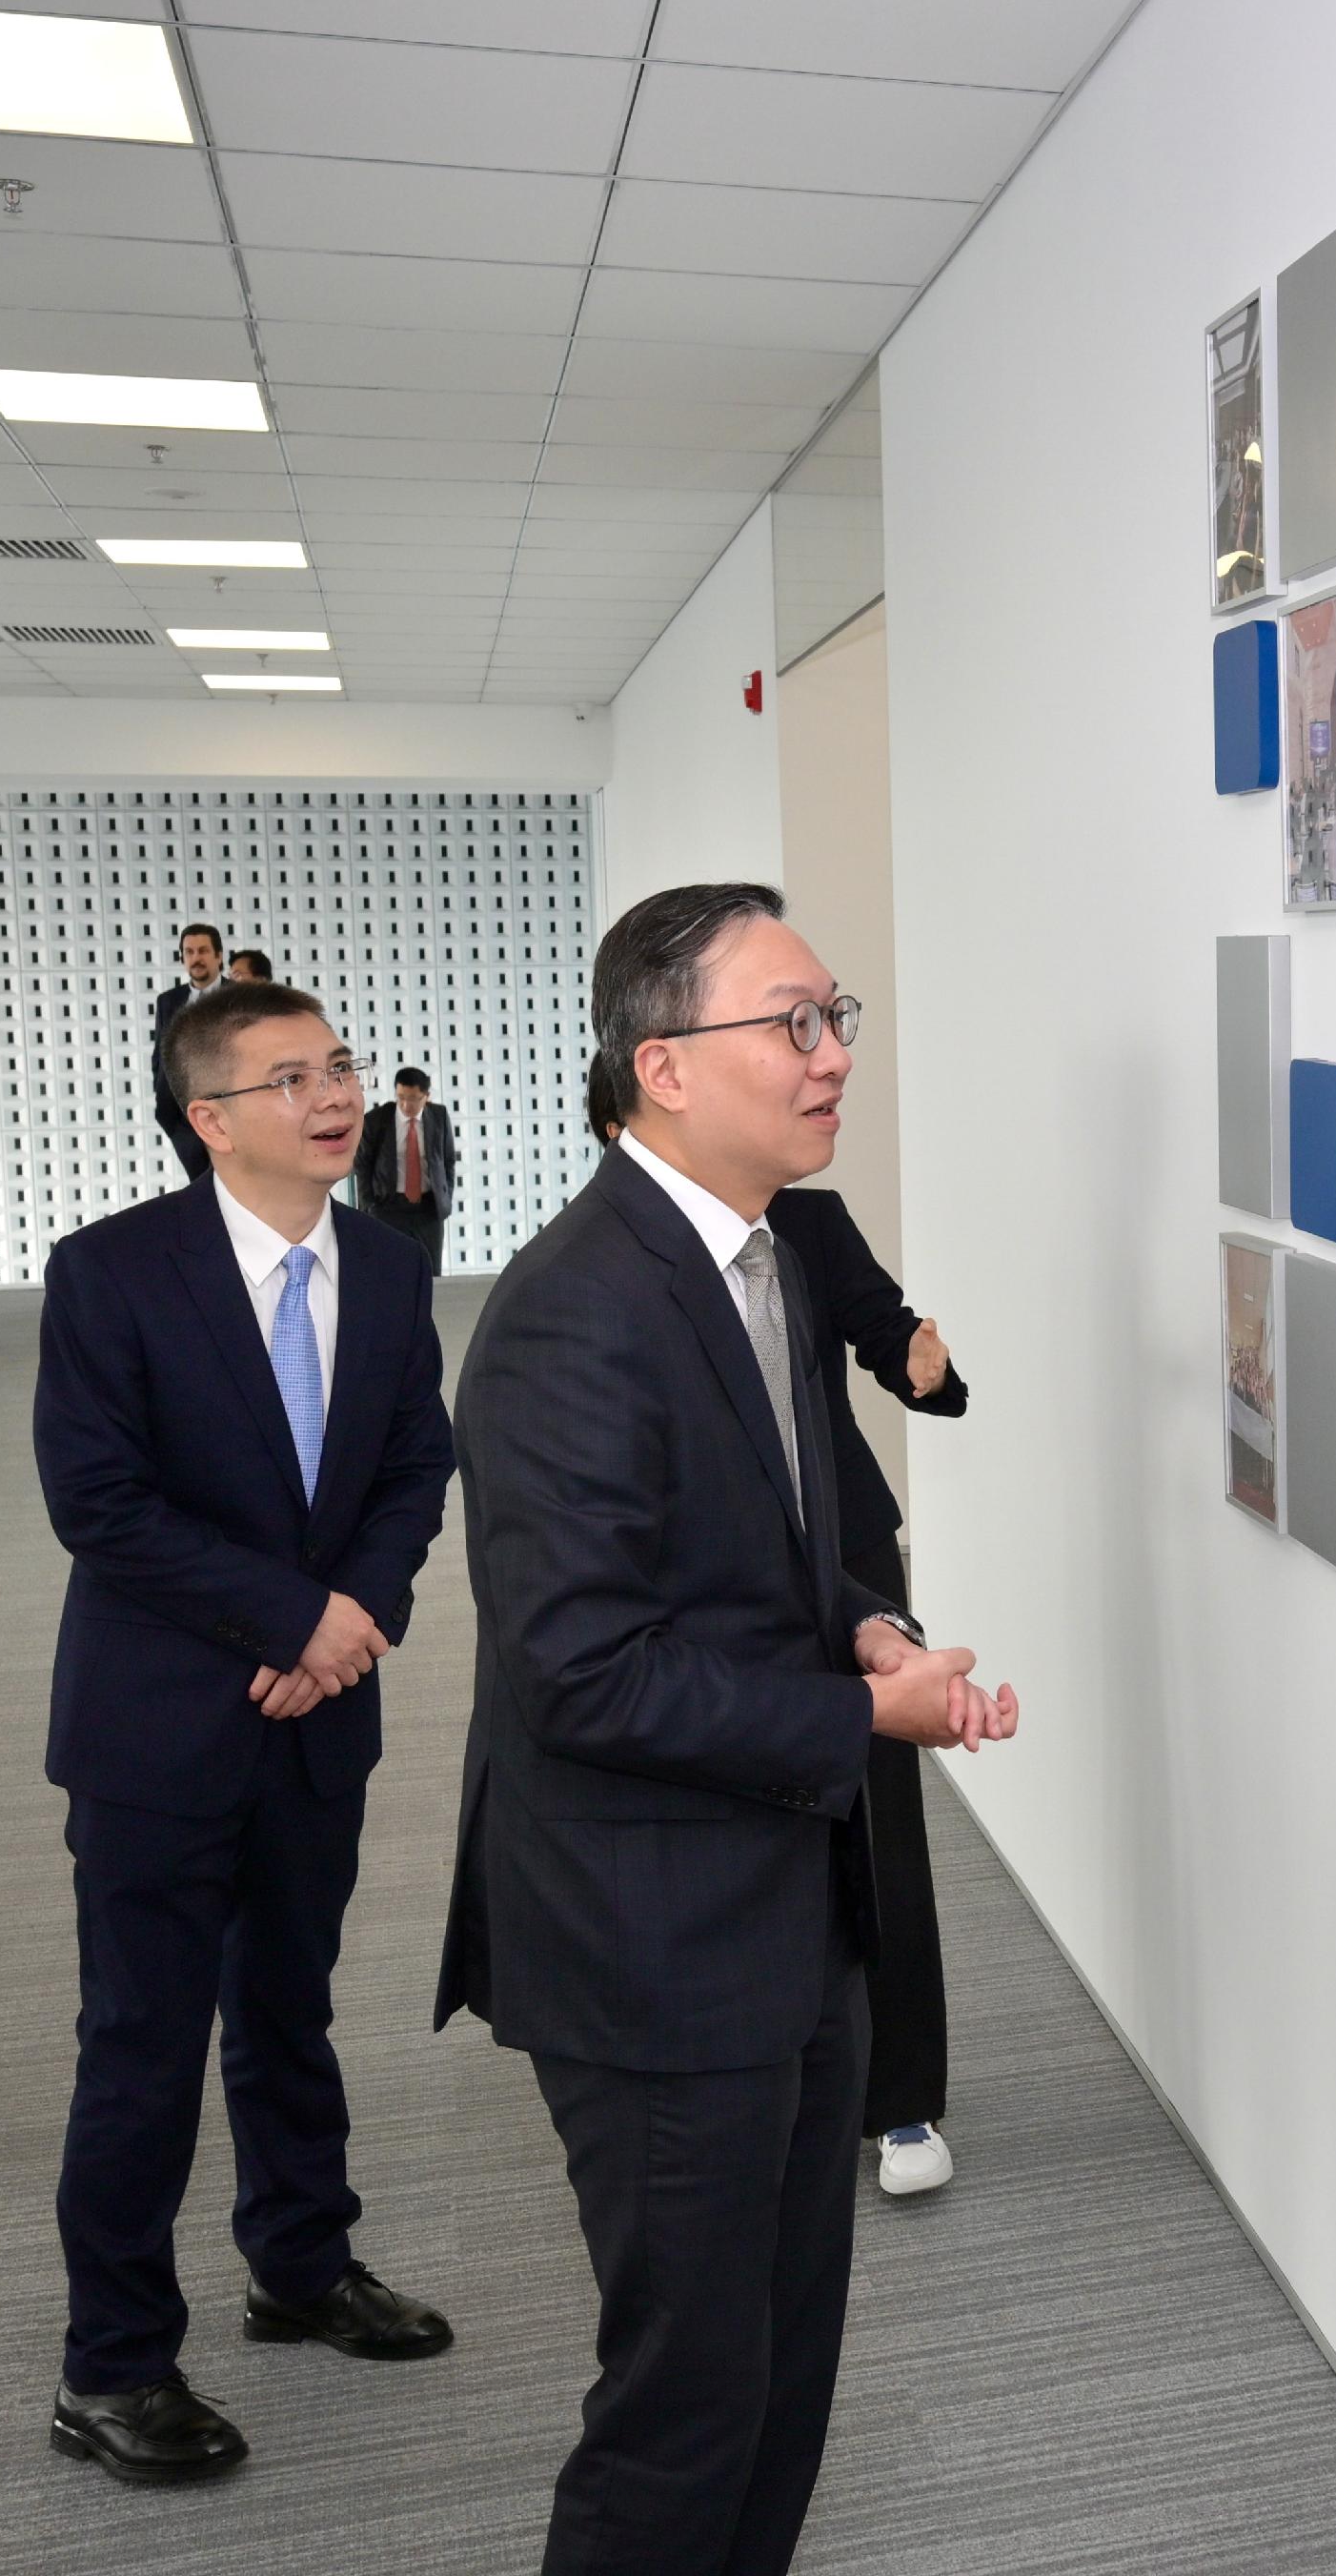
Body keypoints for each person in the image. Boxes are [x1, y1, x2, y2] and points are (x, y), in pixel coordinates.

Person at [436, 882, 1016, 2576]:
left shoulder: (757, 1262)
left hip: (783, 1910)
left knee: (780, 2377)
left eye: (838, 1016)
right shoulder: (573, 1311)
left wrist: (859, 1621)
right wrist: (859, 1708)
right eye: (796, 1022)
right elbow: (580, 1669)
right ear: (663, 1067)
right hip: (652, 1949)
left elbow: (753, 1545)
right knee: (683, 2410)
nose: (835, 1054)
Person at [35, 980, 458, 2485]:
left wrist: (357, 1612)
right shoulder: (109, 1274)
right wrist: (294, 1619)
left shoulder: (396, 1272)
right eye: (290, 1078)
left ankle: (299, 2262)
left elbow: (418, 1464)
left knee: (288, 2005)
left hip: (317, 1722)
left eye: (337, 1064)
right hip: (160, 1730)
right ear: (211, 1119)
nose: (334, 1093)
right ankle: (114, 2365)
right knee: (140, 2047)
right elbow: (100, 1505)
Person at [764, 1178, 973, 2200]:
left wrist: (919, 1367)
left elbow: (886, 1332)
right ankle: (771, 2069)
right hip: (710, 1567)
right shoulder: (611, 1254)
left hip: (843, 1545)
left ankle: (899, 2100)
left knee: (881, 1811)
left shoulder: (806, 1219)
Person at [354, 1065, 455, 1278]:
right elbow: (362, 1165)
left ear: (426, 1096)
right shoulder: (376, 1120)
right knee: (387, 1271)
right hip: (388, 1206)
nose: (407, 1105)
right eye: (401, 1097)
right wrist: (369, 1206)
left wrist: (445, 1198)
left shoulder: (439, 1116)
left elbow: (447, 1161)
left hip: (428, 1207)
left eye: (414, 1098)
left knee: (429, 1271)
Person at [151, 922, 223, 1183]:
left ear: (218, 956)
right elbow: (160, 1054)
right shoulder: (168, 1001)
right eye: (189, 952)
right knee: (202, 1184)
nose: (196, 958)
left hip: (228, 1108)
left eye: (203, 951)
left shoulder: (237, 995)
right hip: (182, 1118)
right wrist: (163, 1104)